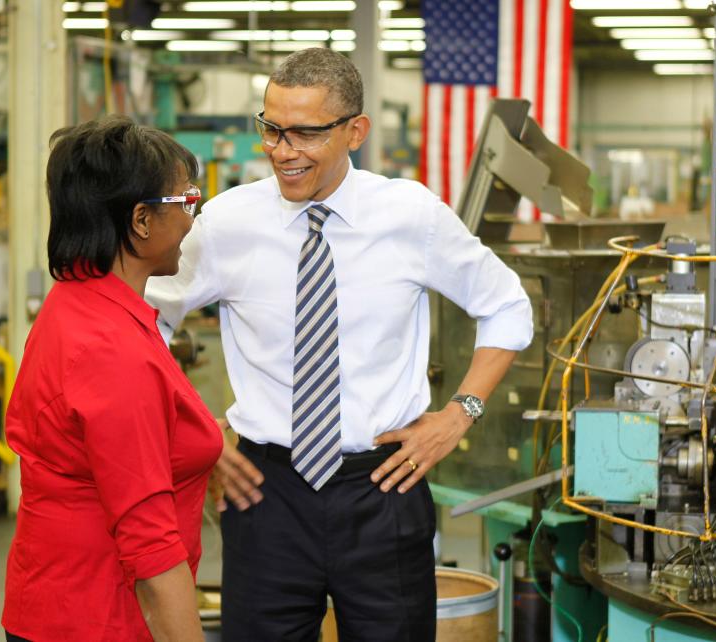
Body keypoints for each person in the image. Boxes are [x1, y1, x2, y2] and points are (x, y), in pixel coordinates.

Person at [146, 48, 533, 641]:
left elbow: (506, 306)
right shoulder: (228, 224)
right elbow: (145, 322)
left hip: (384, 488)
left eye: (304, 133)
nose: (282, 150)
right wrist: (197, 431)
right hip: (263, 492)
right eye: (271, 129)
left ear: (355, 131)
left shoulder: (410, 215)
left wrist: (460, 414)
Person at [2, 116, 222, 642]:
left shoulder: (77, 303)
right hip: (101, 618)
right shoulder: (111, 351)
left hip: (52, 600)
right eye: (185, 202)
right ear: (141, 219)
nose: (191, 221)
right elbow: (150, 547)